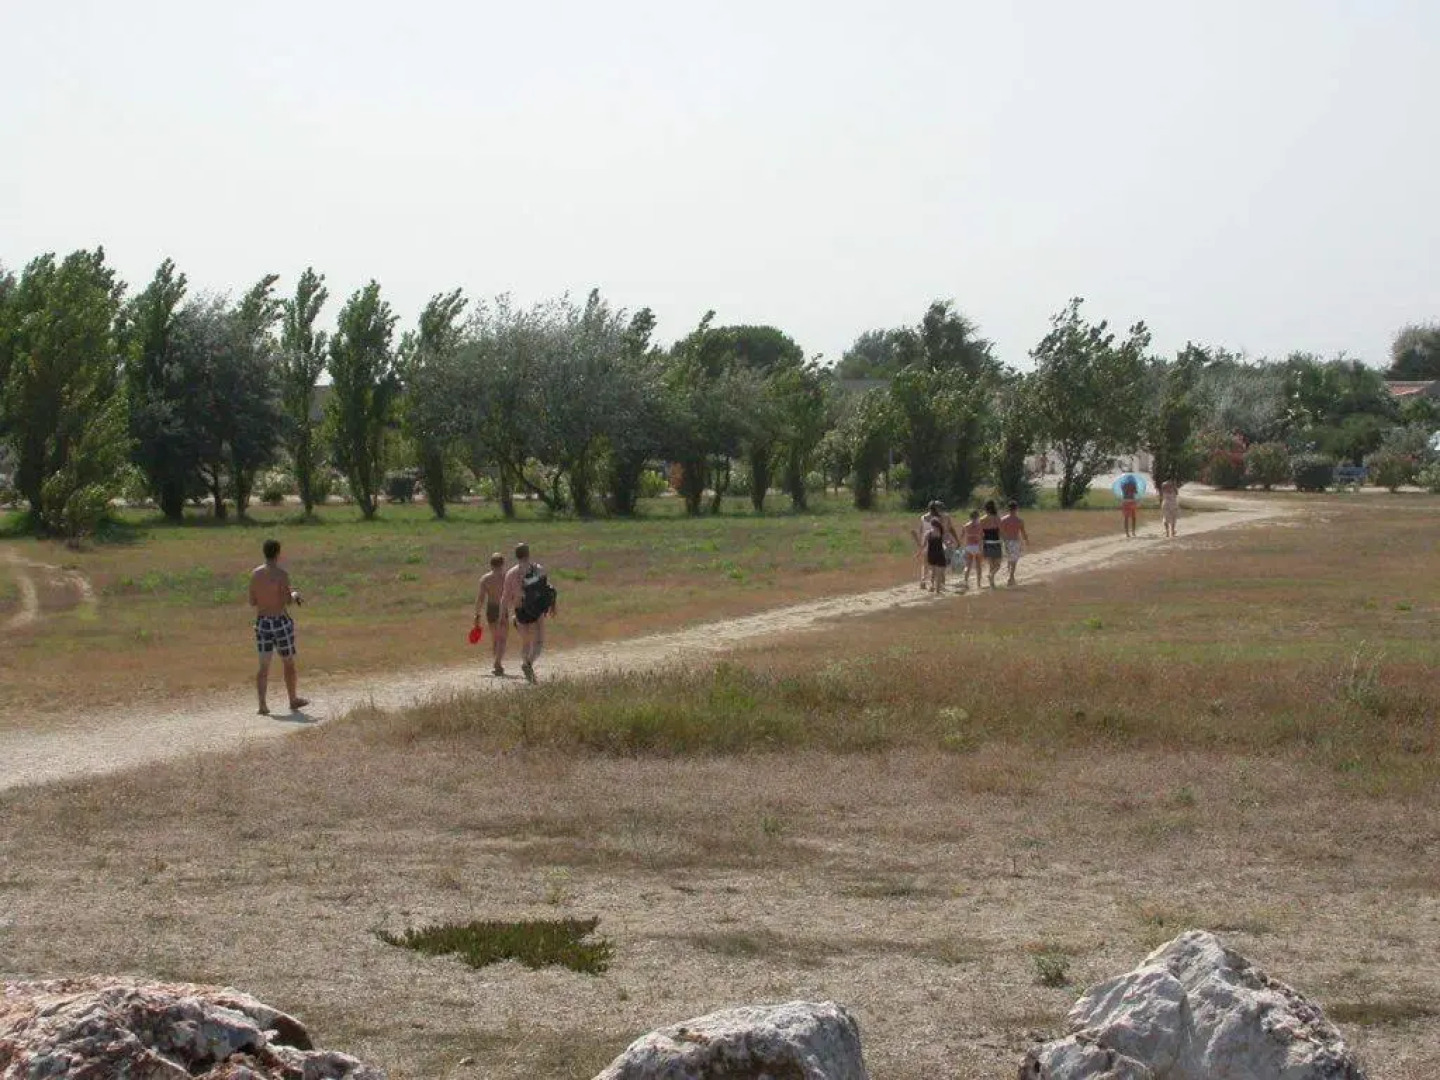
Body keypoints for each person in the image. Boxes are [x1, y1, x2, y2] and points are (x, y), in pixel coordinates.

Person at [248, 538, 308, 716]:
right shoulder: (282, 574)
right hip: (280, 621)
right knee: (288, 662)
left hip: (262, 622)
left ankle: (262, 705)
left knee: (263, 665)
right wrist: (295, 593)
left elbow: (252, 601)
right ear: (278, 553)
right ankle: (292, 699)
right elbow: (287, 601)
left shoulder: (255, 574)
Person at [502, 542, 558, 683]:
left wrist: (503, 614)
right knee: (538, 642)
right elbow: (547, 590)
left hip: (520, 610)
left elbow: (506, 596)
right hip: (536, 611)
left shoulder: (511, 573)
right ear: (528, 553)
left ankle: (527, 665)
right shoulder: (538, 569)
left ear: (516, 555)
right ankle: (528, 664)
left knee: (526, 642)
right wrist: (552, 605)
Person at [473, 552, 509, 676]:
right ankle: (497, 663)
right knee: (502, 639)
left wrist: (477, 615)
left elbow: (480, 599)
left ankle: (496, 660)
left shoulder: (485, 579)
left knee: (495, 638)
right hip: (502, 609)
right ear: (502, 564)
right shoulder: (507, 577)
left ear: (491, 564)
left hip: (491, 609)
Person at [999, 499, 1030, 587]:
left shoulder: (1003, 519)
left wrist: (1002, 540)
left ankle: (1010, 572)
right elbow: (1023, 532)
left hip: (1006, 541)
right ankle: (1011, 577)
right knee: (1014, 560)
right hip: (1015, 541)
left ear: (1009, 508)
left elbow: (1001, 532)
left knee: (1009, 558)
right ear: (1016, 508)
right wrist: (1026, 540)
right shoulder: (1019, 520)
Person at [979, 500, 1003, 588]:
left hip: (986, 543)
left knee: (991, 564)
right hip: (996, 542)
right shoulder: (997, 518)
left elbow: (981, 534)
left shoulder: (982, 519)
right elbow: (1001, 531)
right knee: (998, 564)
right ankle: (991, 576)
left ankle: (992, 583)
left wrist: (981, 546)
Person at [922, 510, 948, 592]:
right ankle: (938, 588)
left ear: (931, 524)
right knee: (940, 571)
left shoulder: (928, 533)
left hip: (931, 553)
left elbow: (923, 545)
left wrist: (918, 553)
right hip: (939, 553)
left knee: (932, 571)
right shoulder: (941, 532)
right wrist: (949, 543)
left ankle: (932, 586)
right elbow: (945, 542)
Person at [959, 510, 983, 590]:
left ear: (970, 517)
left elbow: (961, 537)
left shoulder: (966, 526)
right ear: (977, 517)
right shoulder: (980, 525)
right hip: (977, 547)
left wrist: (959, 546)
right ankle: (979, 584)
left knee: (968, 566)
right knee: (978, 566)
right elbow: (982, 536)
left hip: (969, 547)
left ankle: (965, 582)